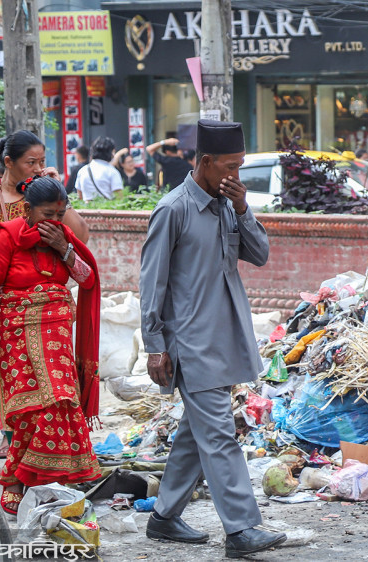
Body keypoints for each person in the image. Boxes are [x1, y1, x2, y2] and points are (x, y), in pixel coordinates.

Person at [140, 119, 285, 558]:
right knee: (220, 434)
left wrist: (243, 209)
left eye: (240, 166)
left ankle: (164, 517)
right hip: (190, 341)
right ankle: (241, 530)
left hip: (225, 337)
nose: (237, 176)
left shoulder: (227, 204)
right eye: (231, 167)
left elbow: (258, 255)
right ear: (204, 163)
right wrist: (155, 345)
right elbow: (152, 282)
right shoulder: (173, 209)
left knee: (196, 432)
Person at [0, 176, 102, 514]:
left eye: (60, 215)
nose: (55, 223)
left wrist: (65, 251)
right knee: (31, 411)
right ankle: (16, 478)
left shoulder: (63, 240)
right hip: (15, 334)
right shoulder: (6, 238)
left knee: (61, 400)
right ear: (26, 210)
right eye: (48, 215)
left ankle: (28, 477)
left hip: (55, 336)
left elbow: (87, 279)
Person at [0, 131, 89, 242]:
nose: (38, 169)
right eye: (31, 162)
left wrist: (58, 192)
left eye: (42, 162)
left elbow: (81, 237)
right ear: (8, 162)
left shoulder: (43, 197)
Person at [75, 137, 123, 201]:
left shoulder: (82, 171)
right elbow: (119, 198)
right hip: (106, 209)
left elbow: (80, 197)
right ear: (110, 152)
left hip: (87, 209)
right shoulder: (112, 172)